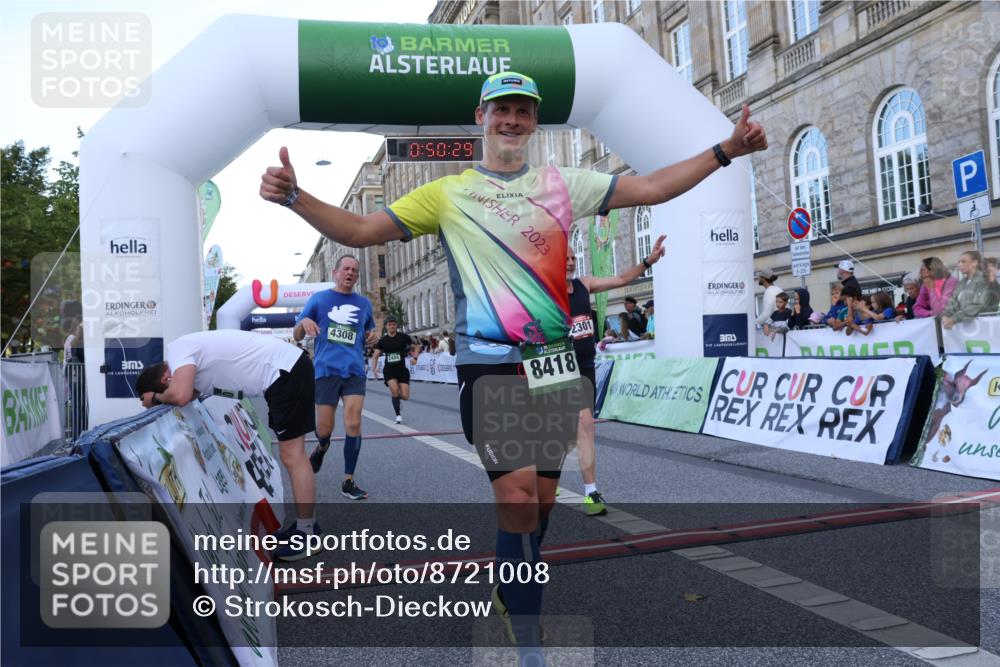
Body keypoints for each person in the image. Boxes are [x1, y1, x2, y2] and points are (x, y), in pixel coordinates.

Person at [260, 70, 767, 653]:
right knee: (519, 496)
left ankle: (513, 576)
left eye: (523, 111)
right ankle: (526, 631)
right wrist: (297, 197)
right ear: (481, 116)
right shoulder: (447, 194)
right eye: (501, 109)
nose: (512, 120)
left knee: (545, 500)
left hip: (552, 364)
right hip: (490, 366)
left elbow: (651, 188)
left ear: (533, 121)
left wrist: (726, 150)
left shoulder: (563, 185)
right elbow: (360, 227)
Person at [134, 330, 318, 560]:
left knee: (293, 455)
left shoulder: (178, 351)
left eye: (165, 388)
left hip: (284, 372)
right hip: (283, 372)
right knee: (291, 455)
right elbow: (190, 394)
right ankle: (306, 524)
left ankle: (308, 532)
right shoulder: (186, 358)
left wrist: (157, 399)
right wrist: (163, 396)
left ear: (165, 380)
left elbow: (180, 395)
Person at [566, 235, 665, 516]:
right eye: (565, 258)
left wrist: (648, 261)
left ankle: (591, 492)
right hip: (556, 366)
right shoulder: (544, 291)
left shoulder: (584, 285)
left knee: (585, 424)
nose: (570, 263)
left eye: (573, 258)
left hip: (584, 366)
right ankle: (545, 478)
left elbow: (621, 279)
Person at [294, 256, 376, 501]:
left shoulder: (364, 304)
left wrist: (372, 335)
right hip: (325, 372)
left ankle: (348, 480)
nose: (350, 273)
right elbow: (297, 334)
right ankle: (322, 446)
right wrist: (305, 321)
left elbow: (369, 330)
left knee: (353, 421)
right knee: (324, 429)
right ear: (336, 272)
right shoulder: (319, 300)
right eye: (346, 269)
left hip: (353, 371)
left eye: (355, 270)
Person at [370, 315, 414, 424]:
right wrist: (374, 370)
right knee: (394, 391)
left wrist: (415, 356)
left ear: (396, 326)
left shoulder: (403, 337)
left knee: (405, 396)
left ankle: (397, 400)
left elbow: (416, 346)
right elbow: (375, 356)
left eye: (393, 324)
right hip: (389, 370)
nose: (392, 326)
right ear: (386, 326)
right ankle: (398, 415)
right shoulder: (383, 341)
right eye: (390, 325)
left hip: (402, 370)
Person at [941, 250, 989, 330]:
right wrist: (946, 315)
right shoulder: (961, 283)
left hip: (984, 327)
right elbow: (952, 301)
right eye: (959, 262)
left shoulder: (984, 280)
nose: (959, 264)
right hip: (966, 328)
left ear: (975, 263)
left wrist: (954, 319)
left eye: (963, 261)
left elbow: (977, 305)